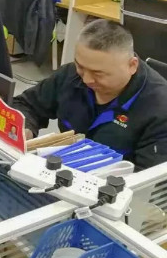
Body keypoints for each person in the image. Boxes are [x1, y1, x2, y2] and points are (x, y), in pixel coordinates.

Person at [13, 20, 167, 169]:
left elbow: (148, 177)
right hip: (62, 169)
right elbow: (26, 104)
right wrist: (25, 127)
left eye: (98, 73)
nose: (86, 79)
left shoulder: (160, 110)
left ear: (132, 65)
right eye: (80, 66)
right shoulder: (70, 75)